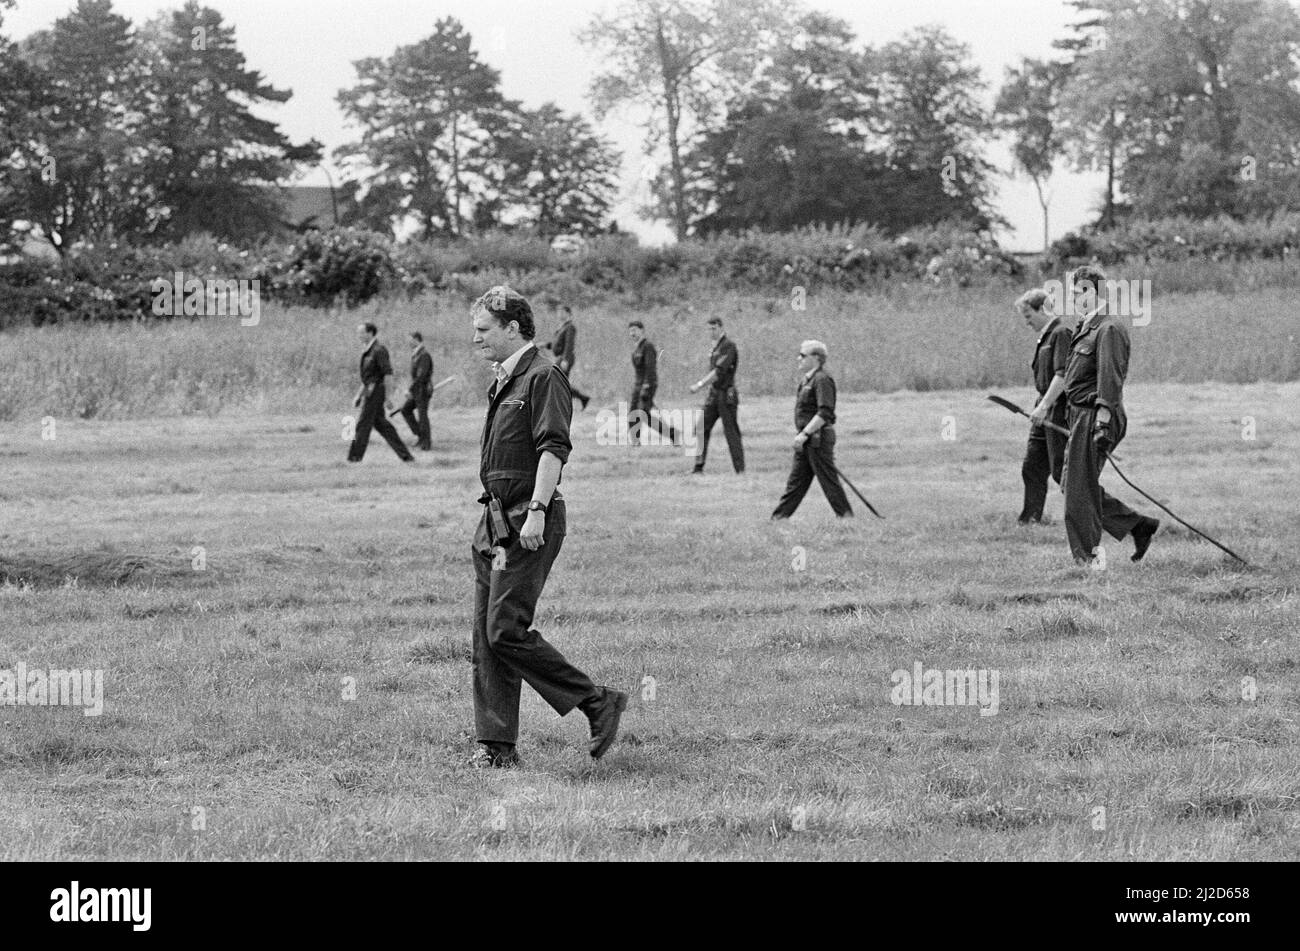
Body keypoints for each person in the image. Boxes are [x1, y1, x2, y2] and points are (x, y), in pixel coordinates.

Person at [469, 285, 627, 768]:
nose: (476, 340)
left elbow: (553, 448)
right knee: (486, 637)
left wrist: (537, 508)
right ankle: (497, 748)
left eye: (483, 330)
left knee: (505, 629)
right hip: (494, 521)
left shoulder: (544, 376)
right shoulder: (504, 379)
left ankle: (596, 700)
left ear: (512, 328)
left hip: (527, 518)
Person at [1060, 266, 1159, 564]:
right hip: (1079, 416)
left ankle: (1087, 561)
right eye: (1075, 292)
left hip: (1096, 416)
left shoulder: (1109, 328)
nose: (1078, 297)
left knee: (1077, 492)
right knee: (1072, 484)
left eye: (1084, 291)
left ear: (1100, 293)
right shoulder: (1086, 326)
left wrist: (1102, 420)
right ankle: (1138, 525)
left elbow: (1110, 377)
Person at [771, 340, 852, 519]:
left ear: (816, 358)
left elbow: (825, 412)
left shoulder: (822, 380)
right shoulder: (807, 380)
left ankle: (846, 517)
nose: (798, 358)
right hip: (807, 439)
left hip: (817, 438)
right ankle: (778, 519)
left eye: (802, 355)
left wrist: (805, 434)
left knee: (828, 481)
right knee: (796, 483)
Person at [1016, 289, 1076, 523]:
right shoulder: (1046, 336)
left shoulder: (1061, 333)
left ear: (1042, 309)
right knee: (1032, 466)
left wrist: (1044, 407)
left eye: (1029, 316)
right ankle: (1030, 520)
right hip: (1042, 406)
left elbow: (1062, 375)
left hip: (1057, 410)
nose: (1027, 323)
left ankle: (1099, 517)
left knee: (1062, 471)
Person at [348, 323, 414, 463]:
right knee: (382, 425)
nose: (359, 336)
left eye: (361, 333)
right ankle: (406, 456)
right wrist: (358, 395)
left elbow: (388, 375)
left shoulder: (379, 350)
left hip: (377, 391)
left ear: (370, 333)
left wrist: (387, 397)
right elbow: (367, 378)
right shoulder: (367, 351)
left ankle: (354, 458)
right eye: (358, 333)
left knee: (362, 424)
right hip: (369, 390)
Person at [689, 316, 744, 474]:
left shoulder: (728, 346)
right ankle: (698, 468)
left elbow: (718, 372)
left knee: (731, 431)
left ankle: (740, 470)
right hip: (714, 394)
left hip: (726, 394)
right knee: (701, 428)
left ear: (721, 327)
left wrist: (699, 385)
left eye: (714, 328)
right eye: (709, 329)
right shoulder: (715, 347)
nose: (711, 332)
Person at [627, 321, 679, 445]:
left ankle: (672, 434)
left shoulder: (647, 346)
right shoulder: (637, 347)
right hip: (638, 385)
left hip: (647, 384)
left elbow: (650, 368)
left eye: (634, 330)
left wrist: (646, 387)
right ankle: (635, 441)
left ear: (642, 330)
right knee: (633, 413)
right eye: (630, 331)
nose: (632, 333)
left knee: (642, 414)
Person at [546, 305, 591, 410]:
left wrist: (565, 360)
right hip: (560, 358)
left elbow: (569, 344)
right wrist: (546, 345)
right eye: (558, 312)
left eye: (562, 312)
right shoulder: (562, 327)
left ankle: (564, 404)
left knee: (558, 382)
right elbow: (557, 343)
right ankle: (582, 398)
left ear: (568, 314)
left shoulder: (570, 327)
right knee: (558, 382)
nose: (559, 314)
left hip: (564, 358)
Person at [397, 331, 433, 451]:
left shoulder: (424, 355)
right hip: (417, 390)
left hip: (422, 390)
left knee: (422, 416)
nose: (408, 342)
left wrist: (409, 389)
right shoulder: (416, 354)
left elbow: (421, 376)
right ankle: (420, 436)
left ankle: (426, 444)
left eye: (410, 339)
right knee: (405, 409)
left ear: (416, 339)